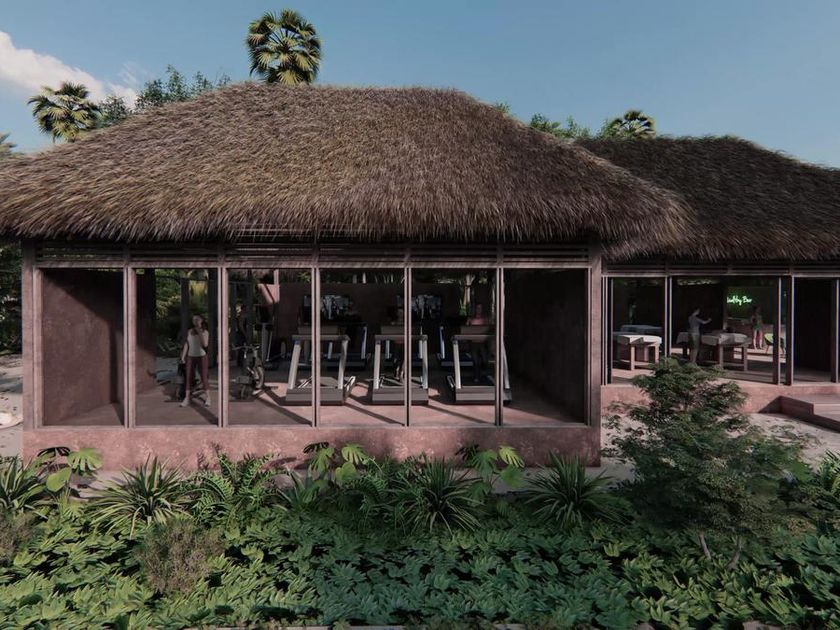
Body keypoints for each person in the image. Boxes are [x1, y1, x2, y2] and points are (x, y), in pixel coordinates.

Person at [180, 314, 211, 408]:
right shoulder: (189, 331)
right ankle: (187, 398)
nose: (195, 321)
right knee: (188, 377)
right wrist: (183, 356)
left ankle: (208, 397)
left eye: (197, 319)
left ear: (201, 320)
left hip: (202, 356)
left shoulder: (205, 332)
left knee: (204, 377)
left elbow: (205, 344)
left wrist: (199, 332)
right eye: (193, 319)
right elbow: (187, 344)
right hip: (190, 356)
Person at [467, 304, 491, 382]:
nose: (478, 310)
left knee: (484, 360)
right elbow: (466, 329)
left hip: (482, 343)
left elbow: (488, 329)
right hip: (474, 342)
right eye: (477, 308)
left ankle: (483, 374)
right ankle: (476, 376)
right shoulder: (471, 319)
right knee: (475, 361)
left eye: (480, 308)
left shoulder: (485, 319)